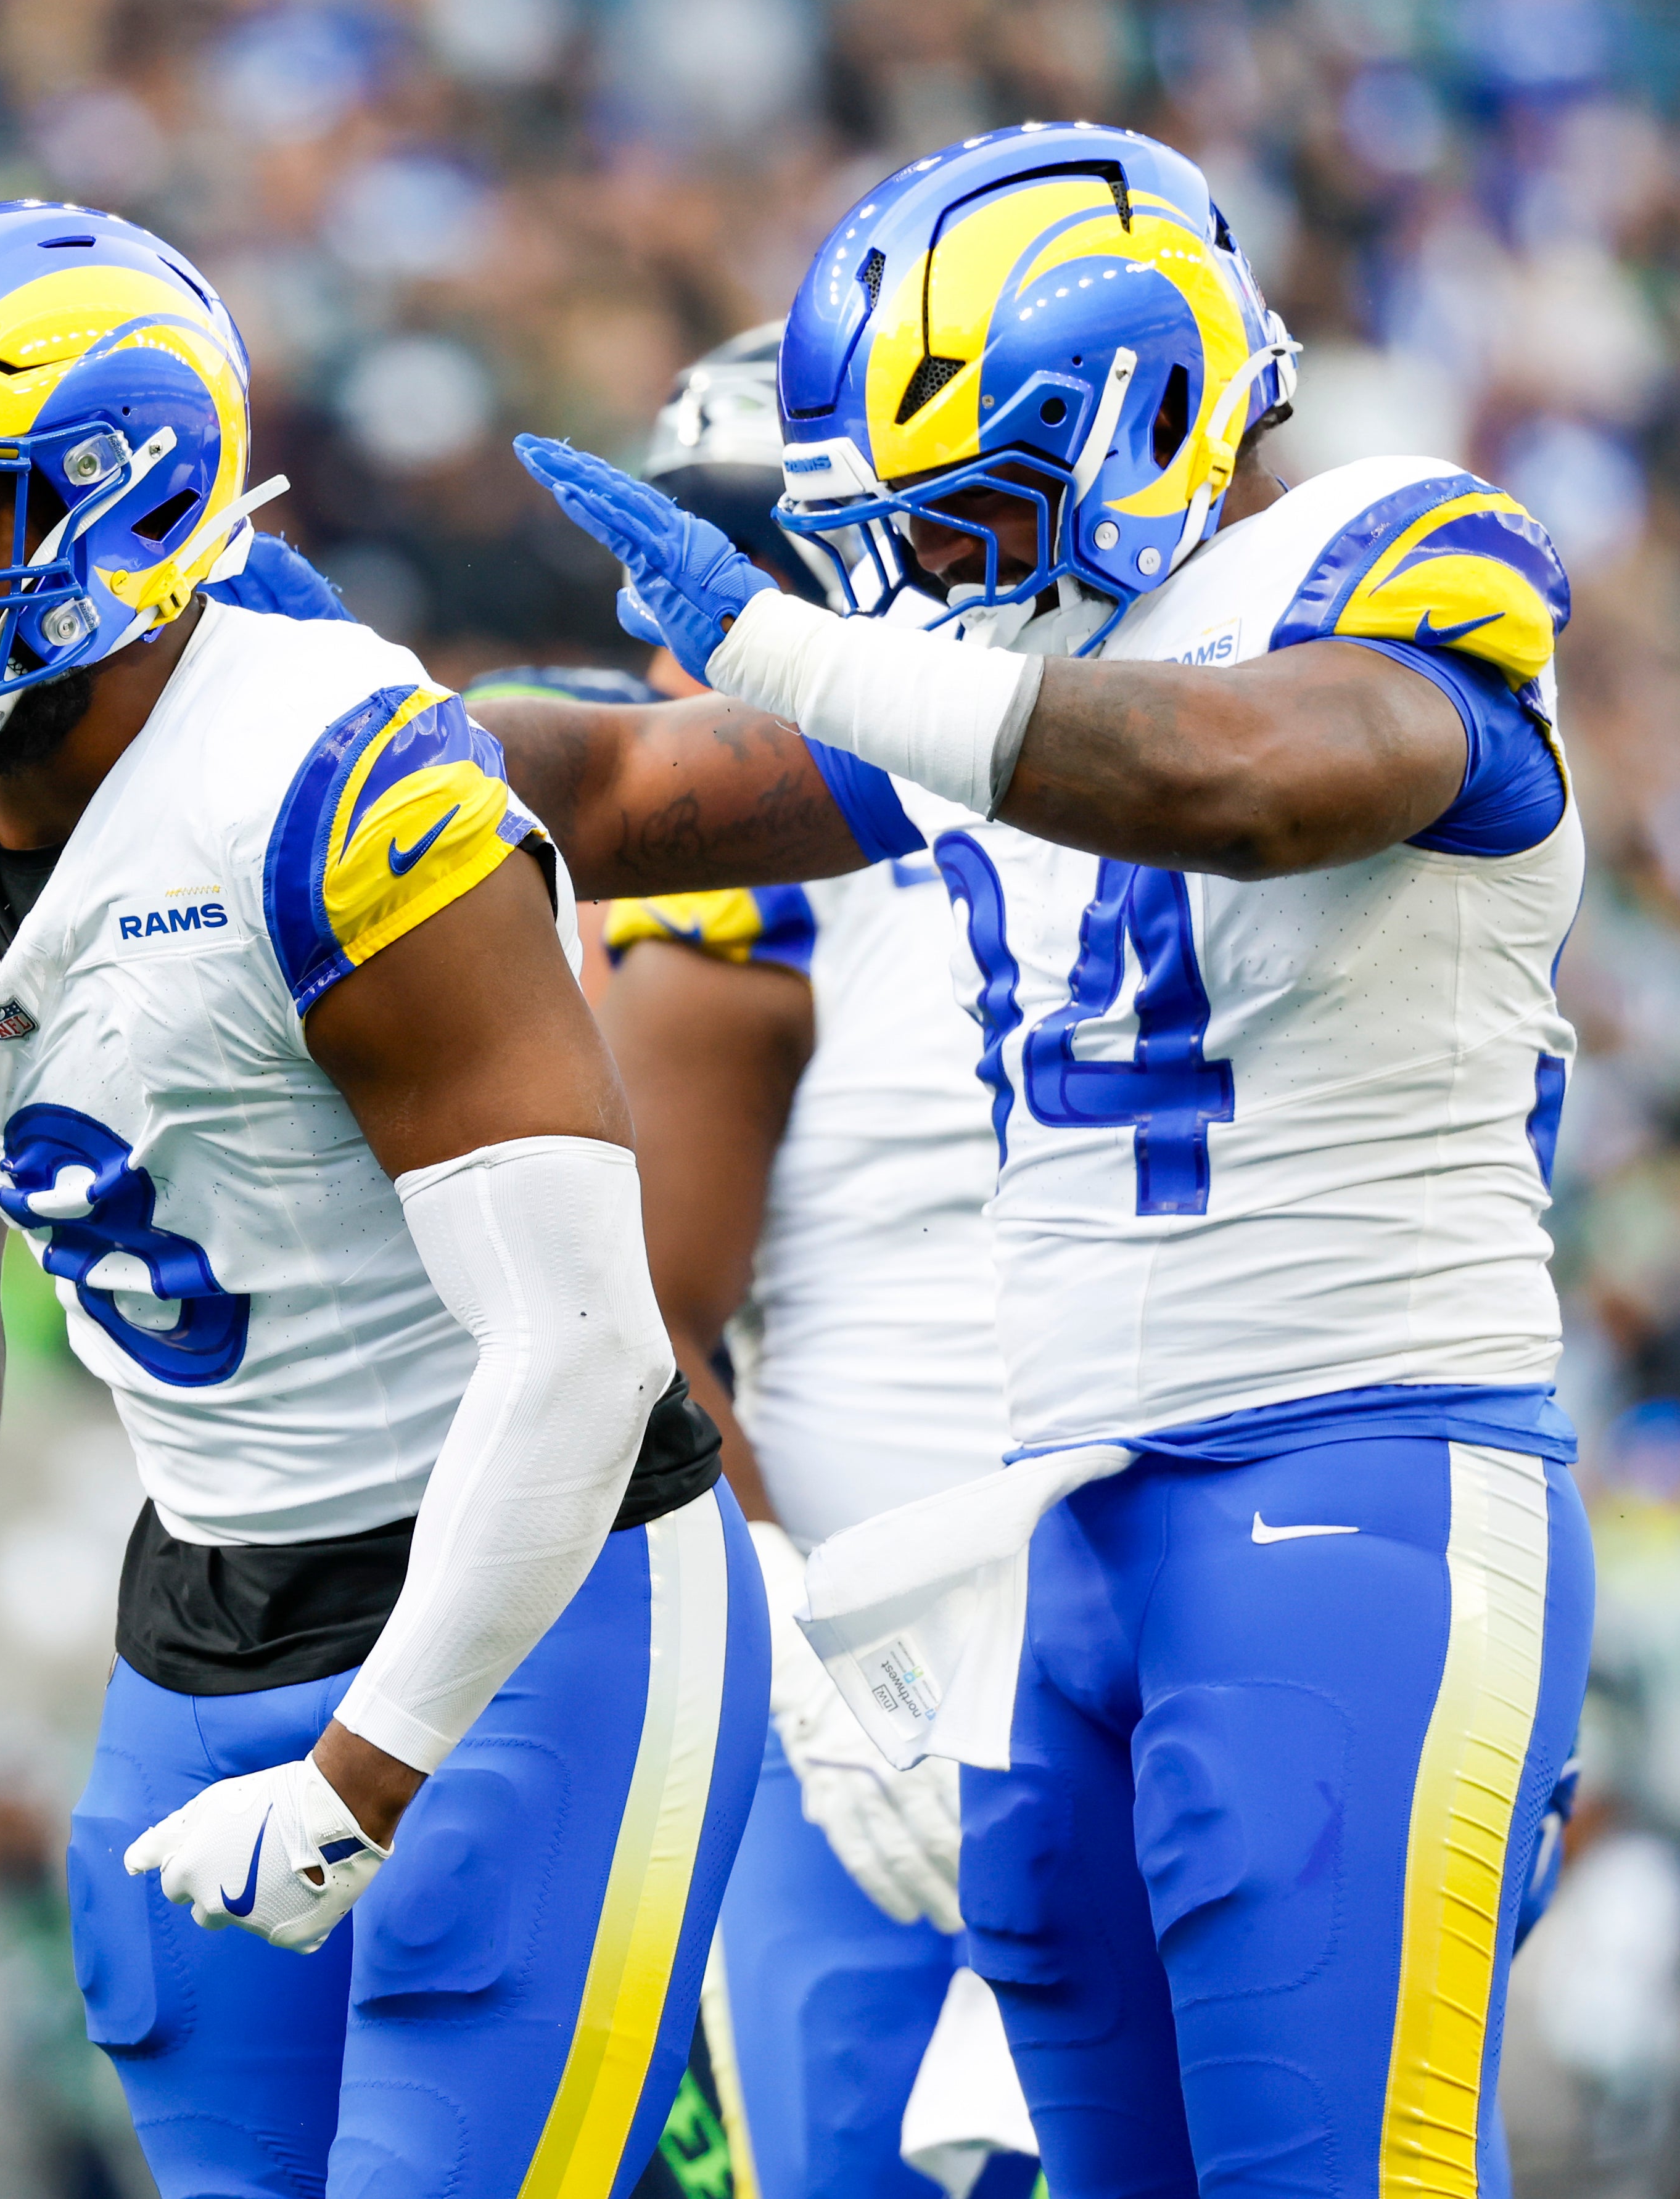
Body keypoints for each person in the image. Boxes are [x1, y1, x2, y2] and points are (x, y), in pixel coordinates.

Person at [475, 123, 1594, 2197]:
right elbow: (624, 780)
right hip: (1056, 1553)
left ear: (1150, 418)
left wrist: (805, 650)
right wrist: (310, 741)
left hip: (1343, 1488)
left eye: (970, 509)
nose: (932, 581)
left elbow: (1251, 781)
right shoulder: (995, 674)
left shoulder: (1392, 557)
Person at [0, 200, 767, 2199]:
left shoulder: (325, 775)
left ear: (122, 530)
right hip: (204, 1596)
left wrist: (367, 1768)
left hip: (545, 1601)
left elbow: (579, 1346)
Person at [576, 326, 1036, 2199]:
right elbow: (641, 1317)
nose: (703, 634)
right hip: (862, 1701)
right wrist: (813, 1666)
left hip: (1123, 1638)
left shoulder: (1055, 787)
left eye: (756, 567)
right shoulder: (738, 874)